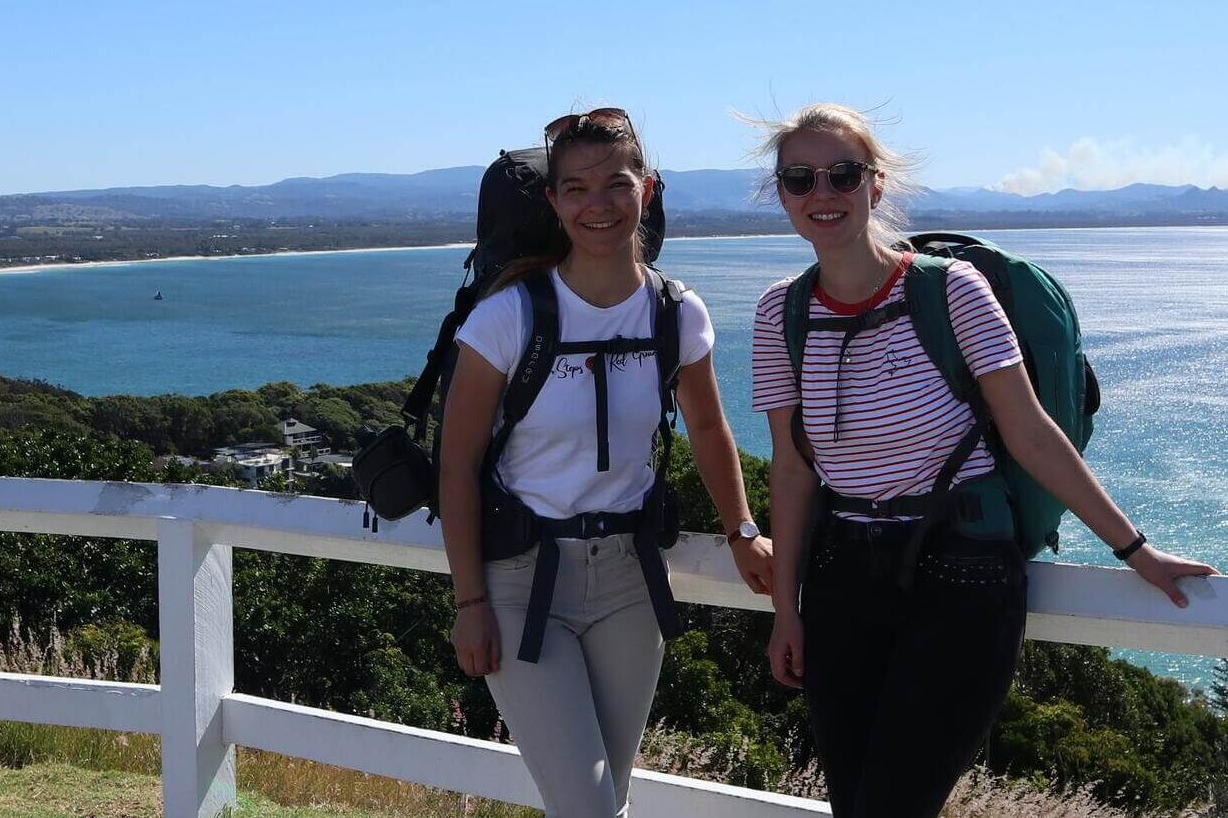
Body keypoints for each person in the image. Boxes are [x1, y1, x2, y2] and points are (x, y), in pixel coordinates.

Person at [751, 103, 1219, 818]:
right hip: (841, 575)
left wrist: (1136, 550)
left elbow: (1031, 435)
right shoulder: (779, 313)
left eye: (843, 173)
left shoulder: (948, 290)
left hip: (962, 570)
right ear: (780, 192)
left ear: (875, 186)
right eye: (801, 177)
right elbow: (791, 469)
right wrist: (787, 609)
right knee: (857, 803)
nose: (823, 193)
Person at [439, 107, 774, 817]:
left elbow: (711, 428)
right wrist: (470, 601)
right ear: (554, 201)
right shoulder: (508, 316)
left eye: (615, 184)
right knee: (590, 808)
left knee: (603, 801)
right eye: (577, 189)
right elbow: (457, 465)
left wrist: (742, 528)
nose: (598, 205)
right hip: (522, 581)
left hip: (631, 578)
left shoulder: (675, 313)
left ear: (645, 190)